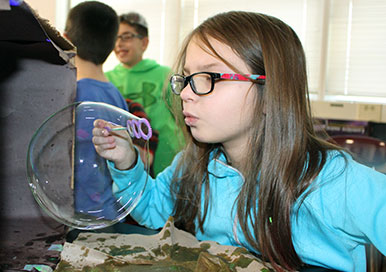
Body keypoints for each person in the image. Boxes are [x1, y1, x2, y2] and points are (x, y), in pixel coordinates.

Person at [92, 11, 386, 271]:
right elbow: (153, 210)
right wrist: (128, 162)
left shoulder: (332, 182)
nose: (185, 93)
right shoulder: (194, 165)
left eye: (208, 77)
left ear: (270, 92)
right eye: (186, 78)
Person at [64, 1, 129, 219]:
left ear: (65, 40)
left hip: (76, 215)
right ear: (112, 46)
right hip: (107, 211)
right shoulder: (116, 96)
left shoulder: (73, 96)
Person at [105, 12, 184, 175]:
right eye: (116, 37)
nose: (119, 43)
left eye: (126, 37)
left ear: (144, 42)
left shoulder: (165, 74)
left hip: (165, 158)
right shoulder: (107, 79)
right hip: (125, 160)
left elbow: (183, 117)